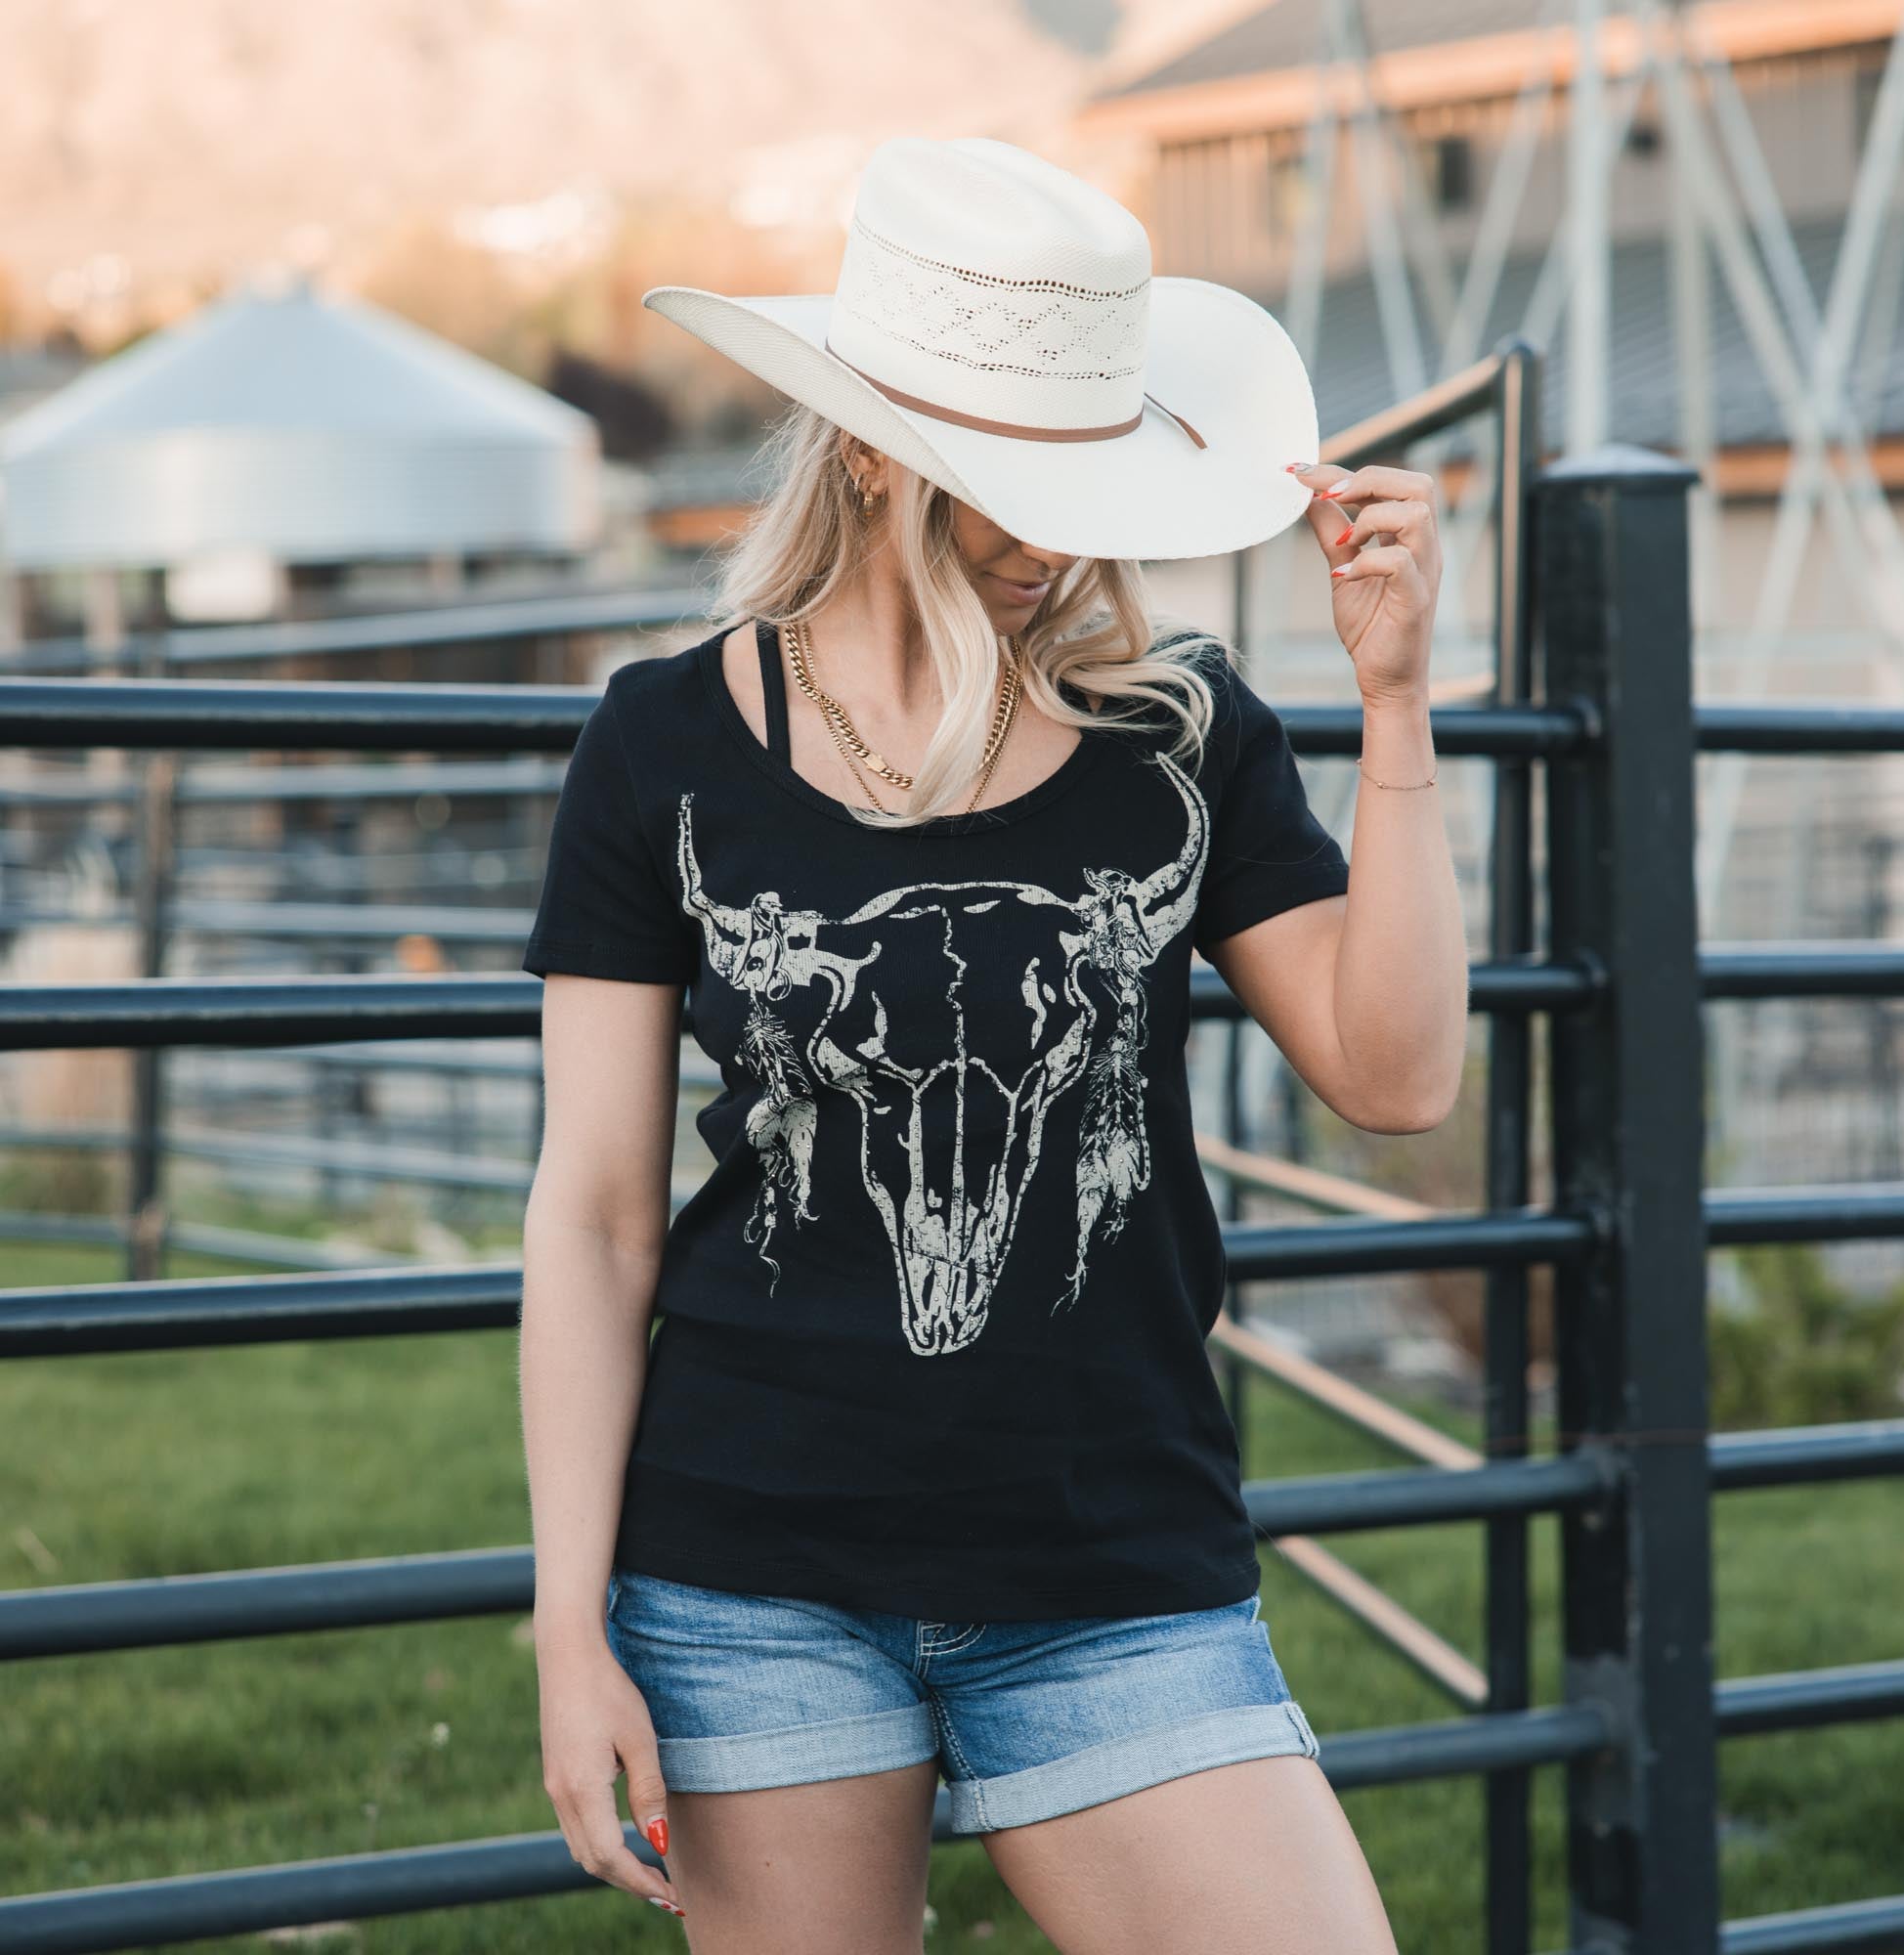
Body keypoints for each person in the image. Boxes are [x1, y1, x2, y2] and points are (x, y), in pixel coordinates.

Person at [520, 134, 1465, 1954]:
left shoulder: (1177, 737)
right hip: (750, 1584)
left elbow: (1399, 1076)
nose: (1056, 538)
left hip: (1113, 1568)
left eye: (1089, 481)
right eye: (1009, 485)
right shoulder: (659, 746)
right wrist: (571, 1631)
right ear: (873, 448)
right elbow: (597, 1219)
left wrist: (1399, 699)